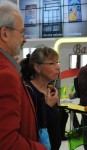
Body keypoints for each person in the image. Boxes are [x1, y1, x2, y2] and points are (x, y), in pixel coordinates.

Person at [0, 1, 46, 150]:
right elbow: (6, 142)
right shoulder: (7, 75)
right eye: (21, 32)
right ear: (4, 34)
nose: (24, 39)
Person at [20, 47, 61, 150]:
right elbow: (29, 127)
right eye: (52, 64)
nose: (57, 67)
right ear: (37, 67)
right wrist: (48, 107)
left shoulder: (51, 91)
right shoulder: (27, 91)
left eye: (57, 63)